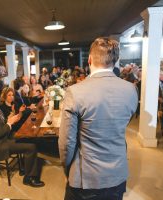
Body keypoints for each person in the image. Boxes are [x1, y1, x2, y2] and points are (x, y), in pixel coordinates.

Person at [59, 37, 138, 200]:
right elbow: (122, 124)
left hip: (87, 178)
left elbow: (67, 142)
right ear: (115, 61)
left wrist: (67, 169)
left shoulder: (75, 91)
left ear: (89, 59)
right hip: (117, 174)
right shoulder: (131, 89)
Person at [0, 86, 44, 187]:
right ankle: (29, 178)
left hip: (4, 138)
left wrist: (13, 119)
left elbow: (2, 123)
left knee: (29, 138)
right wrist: (9, 123)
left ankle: (25, 166)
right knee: (31, 147)